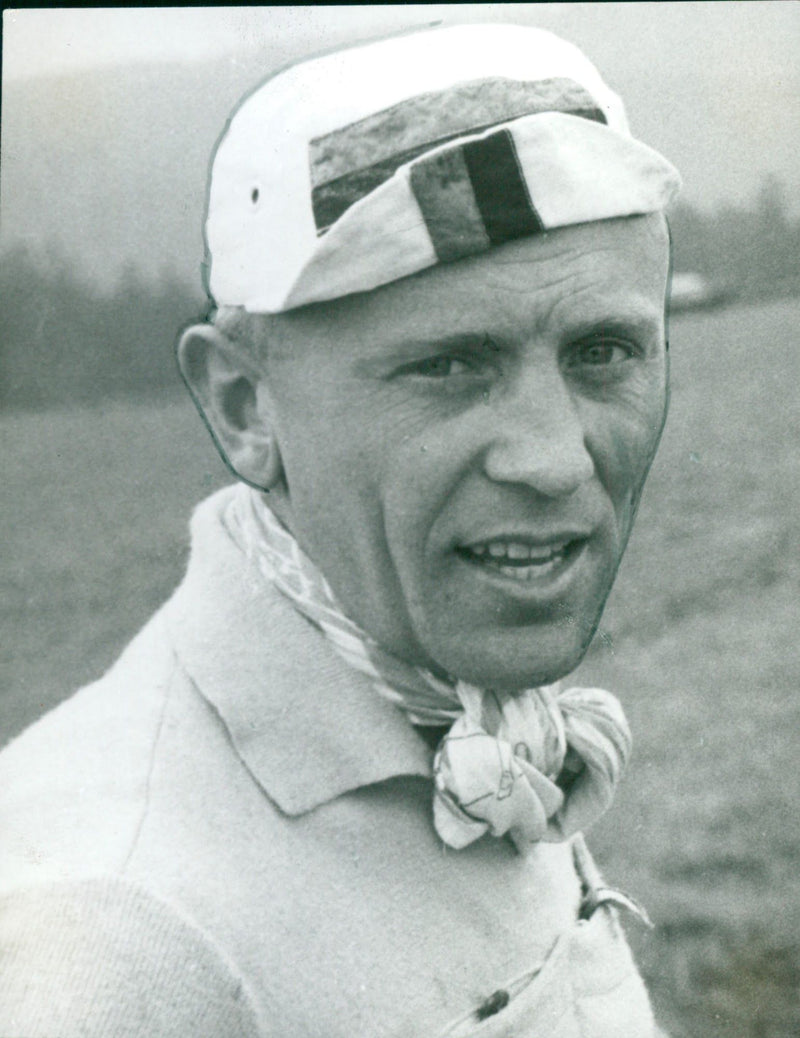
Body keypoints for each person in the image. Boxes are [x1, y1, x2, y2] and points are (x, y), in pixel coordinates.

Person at [0, 23, 680, 1037]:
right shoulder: (116, 921)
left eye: (603, 350)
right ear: (243, 407)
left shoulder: (438, 686)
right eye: (449, 365)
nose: (554, 458)